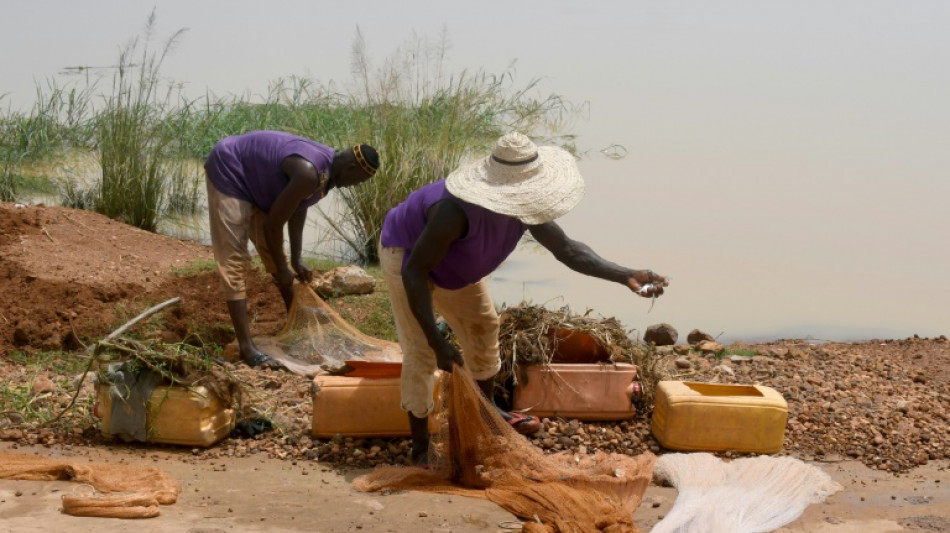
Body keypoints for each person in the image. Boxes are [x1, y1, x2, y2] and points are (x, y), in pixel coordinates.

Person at [379, 132, 668, 465]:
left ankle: (486, 418)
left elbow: (568, 250)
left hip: (455, 267)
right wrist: (437, 342)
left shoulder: (526, 209)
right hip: (406, 255)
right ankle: (419, 447)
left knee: (484, 327)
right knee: (421, 351)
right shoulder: (452, 212)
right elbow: (414, 272)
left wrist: (624, 275)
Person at [204, 130, 379, 369]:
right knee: (234, 259)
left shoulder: (327, 175)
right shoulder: (310, 171)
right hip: (231, 169)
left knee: (278, 258)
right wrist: (283, 267)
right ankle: (247, 348)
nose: (354, 186)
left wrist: (296, 260)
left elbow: (299, 206)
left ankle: (296, 321)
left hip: (256, 183)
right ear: (350, 168)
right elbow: (272, 225)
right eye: (358, 181)